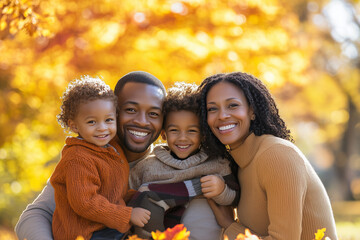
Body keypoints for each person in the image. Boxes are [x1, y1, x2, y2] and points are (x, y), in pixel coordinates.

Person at [15, 71, 225, 240]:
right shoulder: (86, 156)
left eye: (153, 114)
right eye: (131, 110)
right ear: (113, 111)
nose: (142, 121)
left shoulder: (177, 169)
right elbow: (34, 215)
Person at [198, 72, 338, 240]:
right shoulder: (240, 163)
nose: (222, 115)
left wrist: (229, 226)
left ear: (252, 111)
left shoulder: (276, 155)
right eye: (212, 109)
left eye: (233, 105)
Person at [127, 82, 239, 238]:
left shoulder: (216, 163)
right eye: (174, 131)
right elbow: (130, 196)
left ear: (203, 134)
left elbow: (234, 198)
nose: (182, 138)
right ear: (164, 134)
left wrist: (221, 190)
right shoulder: (148, 166)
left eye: (192, 131)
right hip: (160, 232)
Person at [50, 76, 150, 240]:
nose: (102, 128)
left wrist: (135, 197)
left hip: (107, 227)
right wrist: (127, 214)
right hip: (86, 234)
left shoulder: (111, 147)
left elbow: (112, 190)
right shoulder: (78, 158)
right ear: (74, 125)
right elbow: (85, 202)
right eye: (92, 122)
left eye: (109, 120)